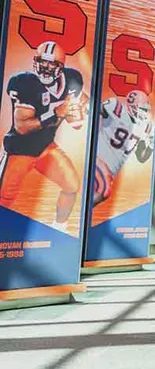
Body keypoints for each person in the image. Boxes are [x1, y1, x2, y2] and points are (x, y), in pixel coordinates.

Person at [1, 42, 87, 233]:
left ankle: (59, 228)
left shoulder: (72, 79)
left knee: (72, 185)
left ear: (61, 67)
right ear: (36, 62)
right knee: (3, 199)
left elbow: (79, 105)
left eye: (51, 64)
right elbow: (22, 127)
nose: (46, 68)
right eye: (42, 62)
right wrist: (56, 113)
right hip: (19, 150)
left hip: (46, 147)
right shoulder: (24, 83)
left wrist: (80, 107)